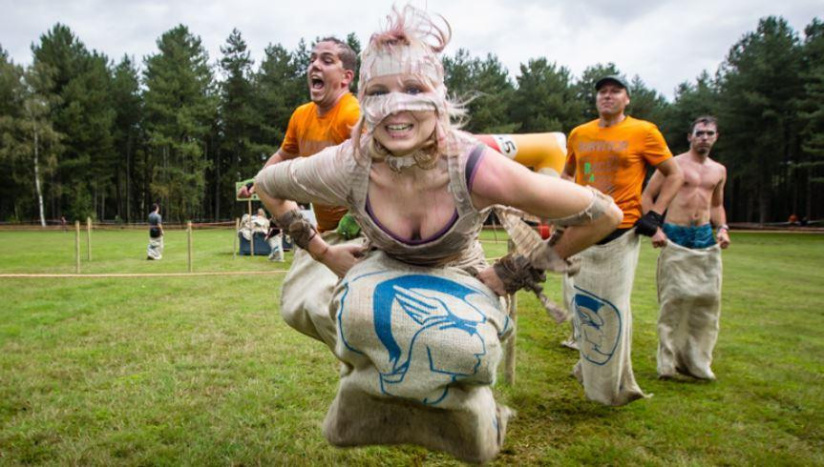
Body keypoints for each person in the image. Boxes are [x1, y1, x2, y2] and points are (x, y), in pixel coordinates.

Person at [254, 5, 622, 462]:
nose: (396, 106)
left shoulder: (476, 169)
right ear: (364, 101)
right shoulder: (350, 164)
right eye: (380, 91)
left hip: (463, 271)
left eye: (413, 88)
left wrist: (513, 271)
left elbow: (604, 214)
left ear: (439, 97)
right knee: (357, 316)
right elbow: (266, 185)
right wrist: (322, 251)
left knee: (460, 343)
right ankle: (376, 405)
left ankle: (471, 417)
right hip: (382, 262)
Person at [561, 74, 684, 406]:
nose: (608, 96)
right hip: (586, 227)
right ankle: (590, 368)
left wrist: (655, 214)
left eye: (615, 91)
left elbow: (675, 174)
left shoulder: (644, 131)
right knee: (585, 304)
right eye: (602, 91)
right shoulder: (579, 133)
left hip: (623, 230)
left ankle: (612, 384)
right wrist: (562, 209)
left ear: (627, 99)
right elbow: (566, 176)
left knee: (614, 306)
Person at [239, 36, 360, 347]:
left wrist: (355, 215)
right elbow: (283, 156)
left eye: (327, 60)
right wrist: (259, 181)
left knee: (332, 306)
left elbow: (379, 169)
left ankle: (369, 367)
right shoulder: (301, 116)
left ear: (347, 77)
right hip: (324, 231)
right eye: (312, 59)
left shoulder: (352, 115)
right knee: (296, 307)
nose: (315, 65)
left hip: (363, 229)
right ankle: (361, 361)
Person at [641, 115, 729, 380]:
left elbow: (716, 205)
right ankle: (667, 363)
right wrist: (654, 228)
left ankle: (697, 362)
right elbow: (646, 195)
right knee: (673, 301)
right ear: (690, 137)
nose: (704, 137)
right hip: (675, 233)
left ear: (716, 137)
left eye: (709, 133)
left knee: (706, 301)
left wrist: (722, 228)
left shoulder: (718, 170)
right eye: (699, 133)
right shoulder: (674, 166)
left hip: (703, 235)